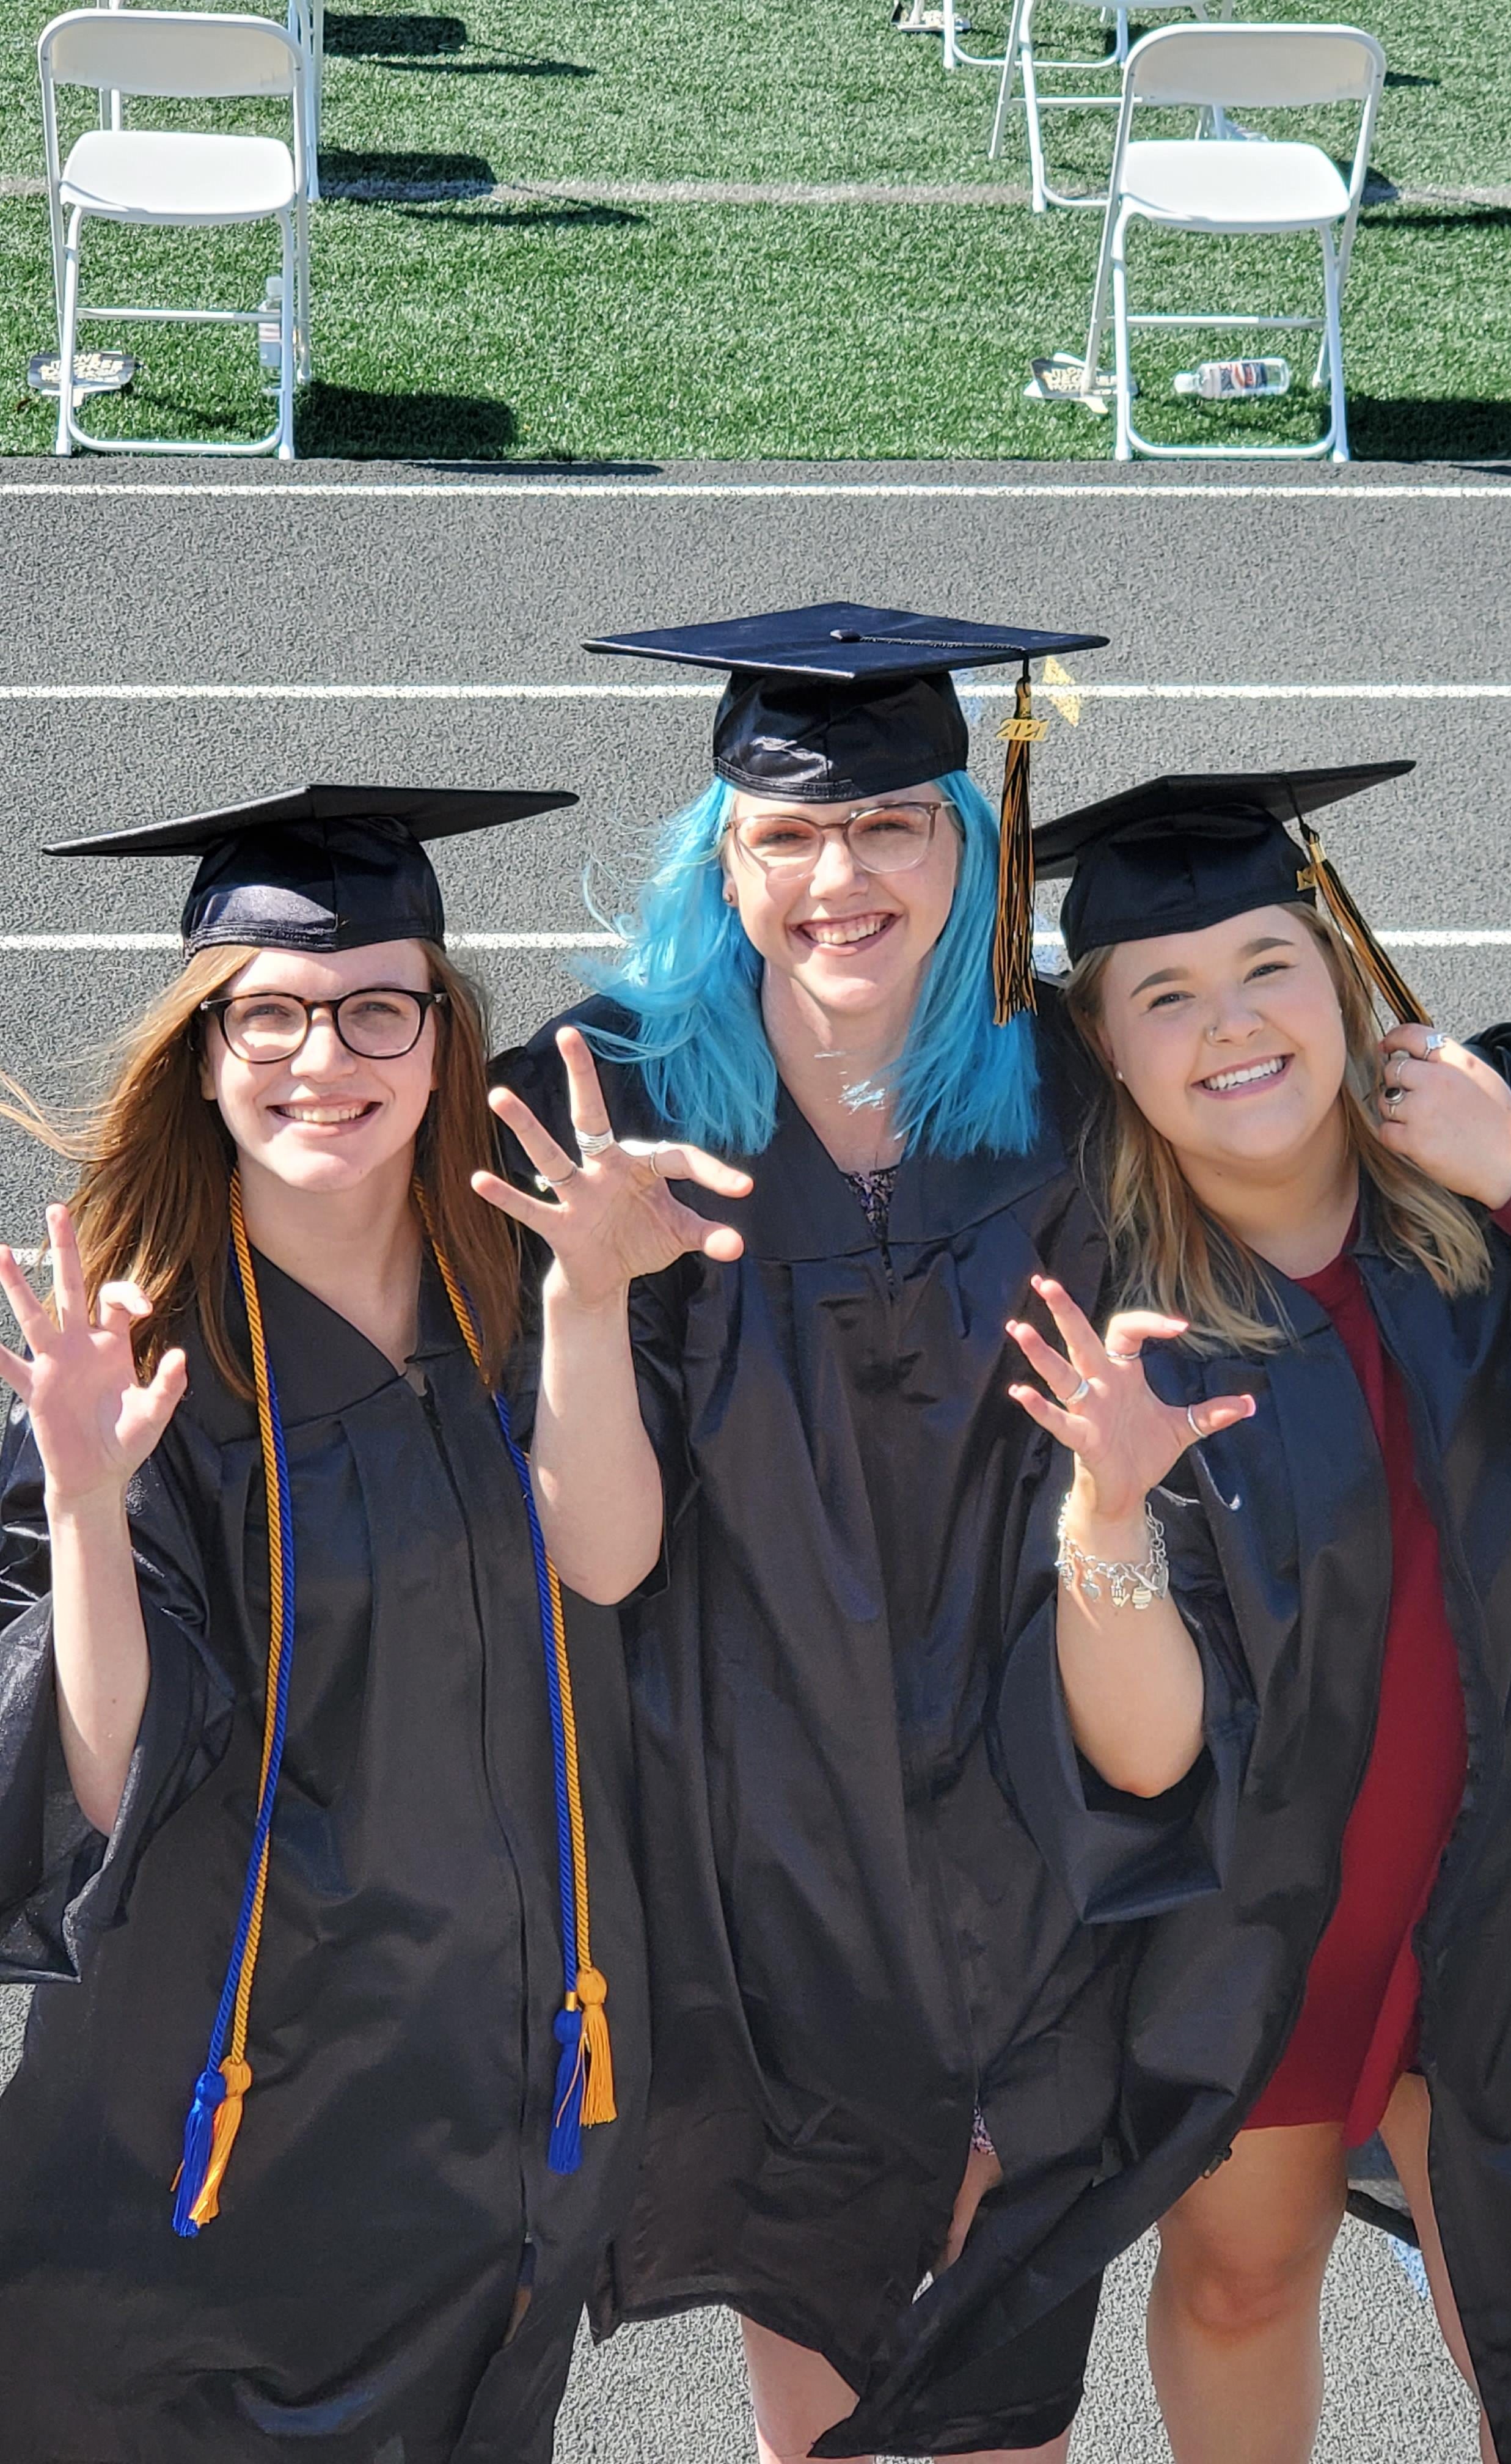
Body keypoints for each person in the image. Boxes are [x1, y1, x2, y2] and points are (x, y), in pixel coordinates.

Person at [829, 767, 1511, 2464]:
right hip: (1267, 1905)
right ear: (1110, 1050)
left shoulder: (1508, 1135)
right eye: (1166, 993)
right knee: (1239, 2277)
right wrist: (1112, 1510)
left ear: (1339, 970)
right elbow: (1140, 1754)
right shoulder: (1093, 1303)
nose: (1232, 1024)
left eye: (1268, 964)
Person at [0, 783, 743, 2463]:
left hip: (501, 2075)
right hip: (238, 2110)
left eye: (374, 1012)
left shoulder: (511, 1276)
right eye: (268, 1015)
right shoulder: (137, 1367)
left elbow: (607, 1563)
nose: (323, 1058)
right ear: (204, 1052)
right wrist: (87, 1504)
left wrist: (591, 1303)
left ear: (440, 1038)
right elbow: (103, 1781)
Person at [494, 602, 1148, 2464]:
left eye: (893, 827)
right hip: (751, 1834)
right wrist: (586, 1302)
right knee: (838, 2387)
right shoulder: (606, 1100)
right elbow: (596, 1560)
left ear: (971, 838)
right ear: (723, 857)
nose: (839, 875)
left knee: (1011, 2391)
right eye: (787, 834)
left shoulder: (1065, 1086)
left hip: (1030, 1808)